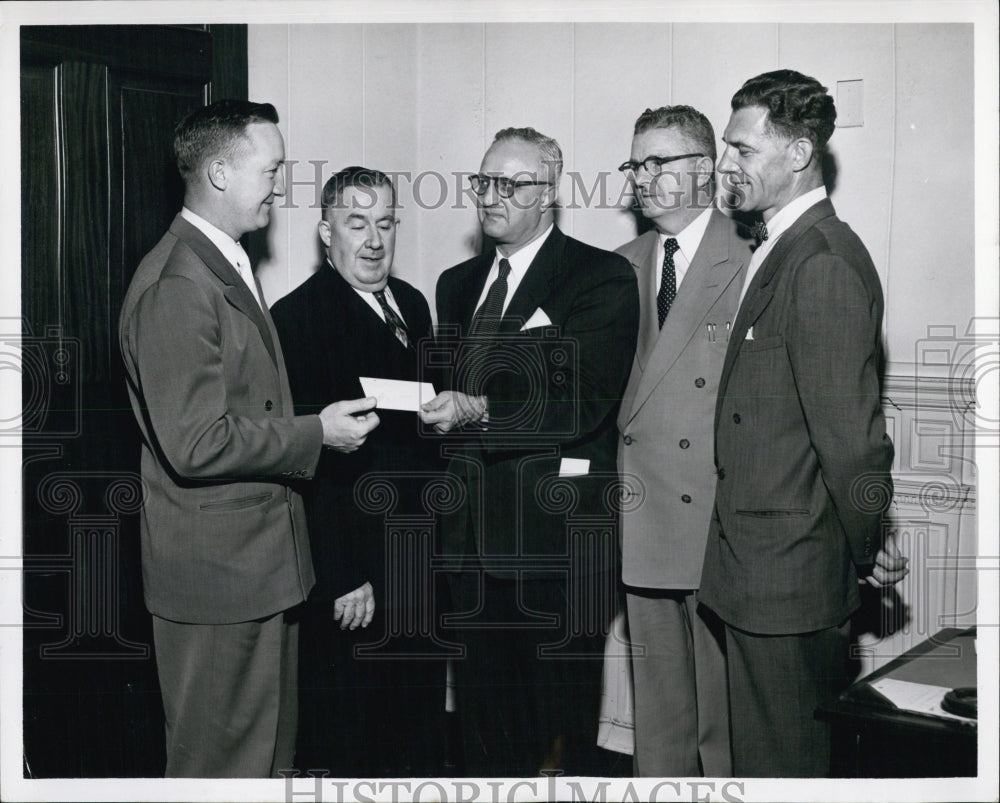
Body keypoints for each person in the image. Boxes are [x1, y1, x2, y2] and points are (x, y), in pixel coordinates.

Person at [118, 100, 379, 778]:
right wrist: (317, 432)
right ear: (220, 173)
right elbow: (195, 441)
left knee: (265, 762)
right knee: (219, 769)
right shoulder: (178, 283)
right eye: (271, 169)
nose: (280, 186)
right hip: (218, 582)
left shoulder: (222, 261)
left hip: (259, 573)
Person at [698, 70, 908, 777]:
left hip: (788, 584)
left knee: (782, 769)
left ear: (798, 154)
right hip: (761, 577)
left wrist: (865, 546)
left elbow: (854, 445)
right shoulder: (783, 246)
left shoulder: (822, 262)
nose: (727, 164)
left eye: (743, 149)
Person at [419, 127, 639, 777]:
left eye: (512, 184)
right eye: (484, 182)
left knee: (558, 733)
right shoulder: (456, 283)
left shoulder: (599, 277)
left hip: (554, 548)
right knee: (484, 732)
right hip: (469, 547)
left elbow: (582, 399)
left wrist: (476, 408)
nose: (492, 197)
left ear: (549, 194)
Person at [270, 166, 447, 776]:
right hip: (356, 575)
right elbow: (306, 459)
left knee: (417, 732)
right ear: (326, 233)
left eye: (386, 223)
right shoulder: (297, 317)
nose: (374, 240)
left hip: (420, 558)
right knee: (351, 740)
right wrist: (343, 574)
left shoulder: (413, 304)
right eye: (356, 224)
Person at [615, 105, 751, 776]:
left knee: (722, 723)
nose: (641, 178)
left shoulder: (751, 255)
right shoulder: (621, 265)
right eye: (635, 164)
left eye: (657, 162)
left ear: (703, 168)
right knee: (661, 718)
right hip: (641, 515)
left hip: (716, 522)